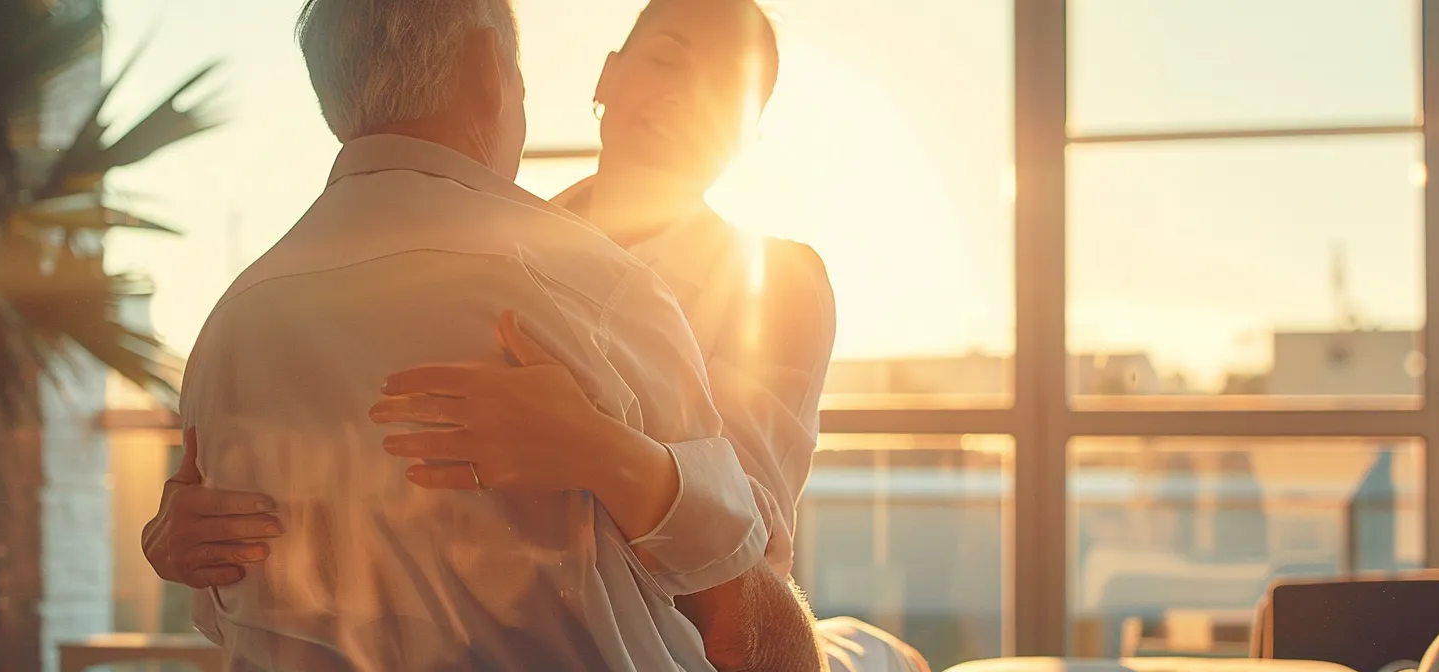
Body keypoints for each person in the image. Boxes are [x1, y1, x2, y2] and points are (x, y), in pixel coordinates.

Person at [152, 0, 926, 669]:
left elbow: (744, 551)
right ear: (605, 76)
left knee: (882, 656)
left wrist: (605, 450)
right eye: (668, 63)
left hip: (724, 619)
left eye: (731, 92)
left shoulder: (772, 279)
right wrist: (199, 534)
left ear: (750, 133)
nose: (692, 99)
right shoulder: (493, 260)